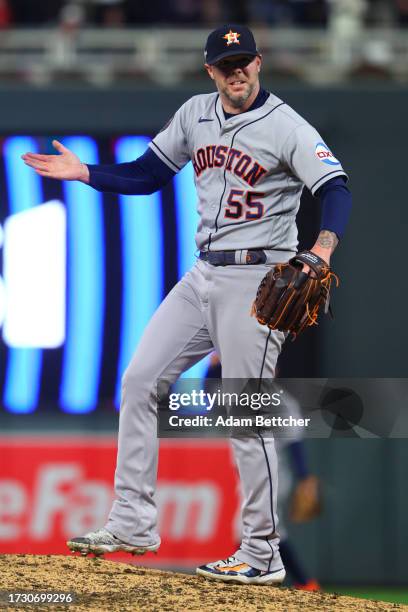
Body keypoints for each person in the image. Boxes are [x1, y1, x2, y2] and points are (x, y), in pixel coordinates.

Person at [22, 24, 352, 586]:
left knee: (244, 414)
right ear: (210, 71)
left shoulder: (287, 125)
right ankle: (132, 523)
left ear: (259, 62)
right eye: (227, 64)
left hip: (260, 275)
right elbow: (150, 175)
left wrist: (319, 252)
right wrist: (86, 173)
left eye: (245, 61)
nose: (237, 71)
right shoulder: (195, 113)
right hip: (203, 273)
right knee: (139, 380)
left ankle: (262, 552)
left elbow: (336, 187)